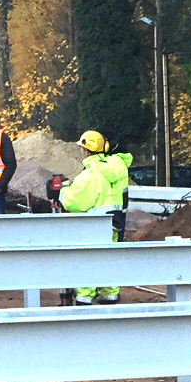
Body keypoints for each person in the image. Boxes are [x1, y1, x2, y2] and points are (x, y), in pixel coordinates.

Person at [55, 130, 133, 304]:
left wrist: (64, 190)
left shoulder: (90, 175)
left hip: (93, 226)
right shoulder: (117, 166)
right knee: (108, 257)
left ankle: (85, 296)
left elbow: (73, 203)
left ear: (86, 151)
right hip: (114, 222)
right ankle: (110, 292)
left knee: (87, 259)